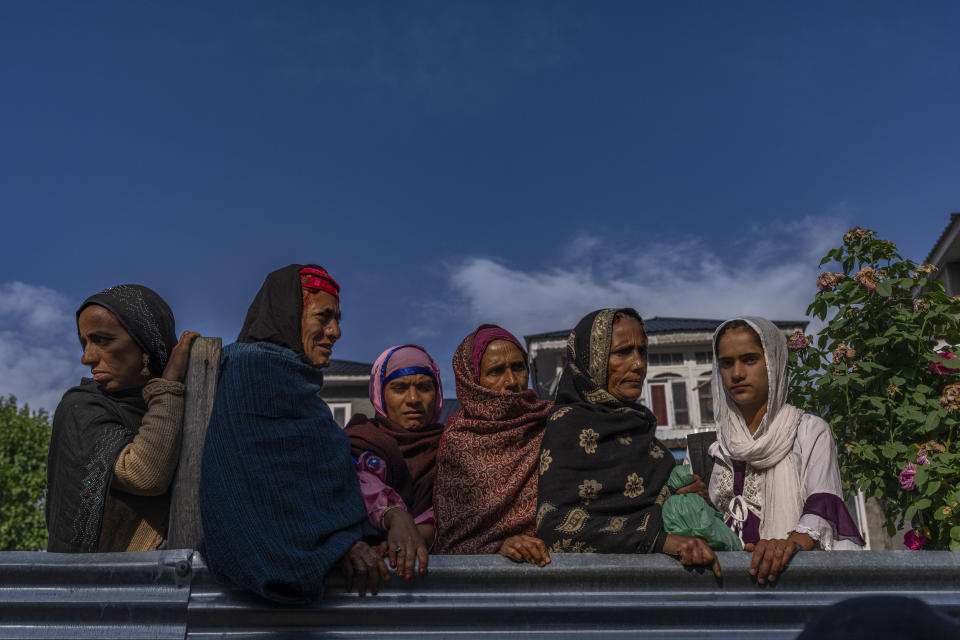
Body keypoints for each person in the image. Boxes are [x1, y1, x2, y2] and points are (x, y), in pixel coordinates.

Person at [198, 264, 387, 604]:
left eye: (338, 319)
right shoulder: (251, 369)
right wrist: (342, 541)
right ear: (289, 313)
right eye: (324, 317)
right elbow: (266, 487)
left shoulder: (298, 386)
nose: (336, 331)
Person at [537, 308, 720, 576]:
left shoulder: (643, 432)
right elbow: (554, 526)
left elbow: (663, 502)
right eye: (623, 352)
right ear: (593, 359)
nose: (638, 364)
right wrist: (658, 539)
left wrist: (691, 497)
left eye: (642, 352)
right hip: (594, 593)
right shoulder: (567, 426)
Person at [701, 317, 864, 585]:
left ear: (773, 363)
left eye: (750, 359)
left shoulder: (808, 431)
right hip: (727, 589)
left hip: (795, 583)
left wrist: (786, 547)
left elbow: (823, 505)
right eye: (727, 363)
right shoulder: (711, 448)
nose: (737, 373)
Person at [47, 284, 198, 553]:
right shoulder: (82, 407)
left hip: (175, 577)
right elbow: (144, 475)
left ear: (145, 347)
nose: (86, 357)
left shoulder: (192, 404)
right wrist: (167, 387)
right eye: (84, 342)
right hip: (100, 584)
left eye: (103, 340)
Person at [434, 324, 553, 566]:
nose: (511, 381)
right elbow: (449, 544)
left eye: (518, 368)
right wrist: (497, 548)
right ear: (471, 381)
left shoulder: (551, 423)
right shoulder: (459, 441)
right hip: (483, 590)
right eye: (496, 371)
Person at [345, 344, 444, 580]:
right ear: (380, 394)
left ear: (437, 393)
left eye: (424, 387)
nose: (413, 399)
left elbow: (458, 510)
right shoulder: (357, 443)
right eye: (400, 388)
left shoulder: (455, 447)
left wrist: (412, 536)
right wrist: (395, 516)